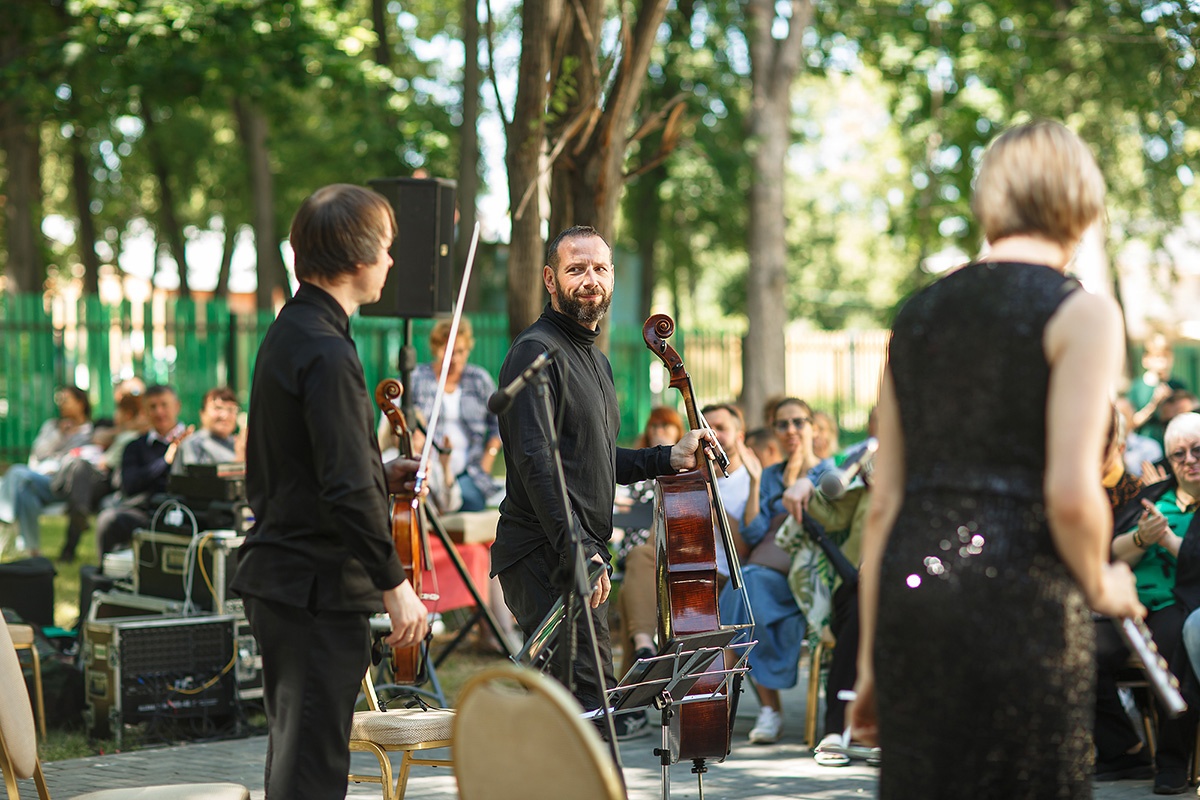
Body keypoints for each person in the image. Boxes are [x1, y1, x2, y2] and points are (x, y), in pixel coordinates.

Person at [848, 120, 1144, 798]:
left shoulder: (917, 315)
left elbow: (884, 503)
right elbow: (1071, 491)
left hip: (911, 590)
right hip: (1024, 593)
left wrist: (869, 665)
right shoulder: (1083, 313)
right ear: (1081, 201)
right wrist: (1104, 587)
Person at [229, 184, 429, 800]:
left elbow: (306, 467)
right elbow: (342, 490)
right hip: (314, 586)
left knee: (297, 760)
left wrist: (379, 474)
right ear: (359, 257)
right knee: (311, 772)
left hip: (286, 580)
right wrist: (397, 587)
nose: (392, 263)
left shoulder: (294, 328)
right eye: (388, 250)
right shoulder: (326, 348)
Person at [491, 225, 709, 739]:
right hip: (546, 554)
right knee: (589, 714)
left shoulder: (595, 358)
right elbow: (536, 463)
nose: (590, 280)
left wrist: (666, 457)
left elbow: (592, 459)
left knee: (576, 718)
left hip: (576, 553)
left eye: (600, 269)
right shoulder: (535, 353)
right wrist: (577, 550)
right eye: (576, 269)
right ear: (550, 278)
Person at [1096, 411, 1200, 791]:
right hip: (1126, 606)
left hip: (1177, 604)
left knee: (1173, 650)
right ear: (1169, 461)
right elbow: (1111, 553)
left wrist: (1171, 542)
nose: (1188, 460)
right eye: (1178, 454)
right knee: (1077, 648)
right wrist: (1141, 538)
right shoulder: (1152, 495)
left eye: (1198, 451)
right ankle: (1124, 750)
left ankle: (1172, 761)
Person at [717, 396, 826, 744]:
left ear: (812, 427)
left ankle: (728, 698)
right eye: (782, 424)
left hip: (804, 576)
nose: (790, 430)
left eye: (798, 422)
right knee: (744, 587)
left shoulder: (829, 472)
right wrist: (754, 482)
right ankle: (761, 708)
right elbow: (751, 532)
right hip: (761, 576)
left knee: (742, 588)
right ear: (774, 431)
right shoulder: (769, 476)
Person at [409, 317, 502, 511]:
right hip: (430, 467)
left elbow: (498, 423)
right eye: (448, 351)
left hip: (470, 470)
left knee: (470, 500)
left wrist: (488, 459)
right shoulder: (418, 378)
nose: (454, 359)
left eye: (460, 352)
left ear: (468, 349)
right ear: (435, 349)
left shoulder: (479, 379)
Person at [93, 384, 191, 560]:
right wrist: (165, 461)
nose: (159, 412)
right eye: (153, 407)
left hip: (190, 512)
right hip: (147, 511)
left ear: (177, 406)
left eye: (164, 405)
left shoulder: (194, 442)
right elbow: (129, 485)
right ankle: (107, 576)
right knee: (109, 520)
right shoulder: (135, 446)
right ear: (145, 411)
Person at [0, 386, 95, 556]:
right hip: (40, 480)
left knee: (16, 472)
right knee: (23, 492)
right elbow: (38, 451)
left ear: (80, 403)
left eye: (66, 400)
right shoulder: (51, 426)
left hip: (64, 484)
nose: (61, 404)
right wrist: (58, 433)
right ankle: (33, 551)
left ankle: (4, 518)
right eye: (59, 400)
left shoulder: (90, 431)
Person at [55, 391, 148, 562]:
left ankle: (76, 525)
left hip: (113, 484)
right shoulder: (124, 432)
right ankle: (79, 514)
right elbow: (98, 437)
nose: (114, 415)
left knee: (79, 474)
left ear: (127, 414)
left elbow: (105, 464)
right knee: (79, 477)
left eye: (117, 411)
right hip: (113, 483)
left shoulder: (128, 438)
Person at [172, 386, 242, 471]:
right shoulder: (194, 444)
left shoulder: (237, 444)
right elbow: (198, 479)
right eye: (218, 408)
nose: (225, 415)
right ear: (202, 414)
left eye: (231, 410)